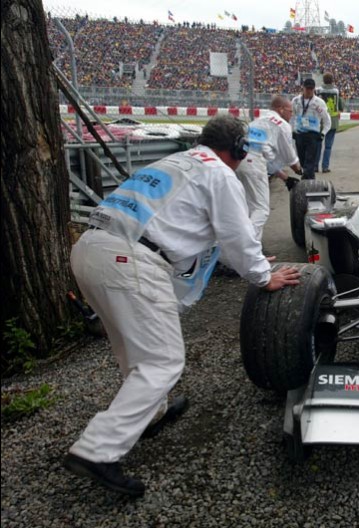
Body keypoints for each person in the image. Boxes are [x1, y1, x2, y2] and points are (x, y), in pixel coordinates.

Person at [64, 115, 301, 496]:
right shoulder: (221, 175)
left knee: (133, 347)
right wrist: (262, 276)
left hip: (91, 250)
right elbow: (236, 236)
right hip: (131, 260)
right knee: (163, 361)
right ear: (239, 150)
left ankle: (150, 415)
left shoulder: (174, 162)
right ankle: (97, 449)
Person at [235, 96, 303, 242]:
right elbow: (290, 156)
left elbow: (266, 157)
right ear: (281, 109)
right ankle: (247, 247)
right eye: (290, 111)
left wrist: (285, 178)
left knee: (247, 208)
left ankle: (252, 248)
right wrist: (299, 170)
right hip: (254, 164)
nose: (292, 115)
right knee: (261, 209)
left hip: (239, 161)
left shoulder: (257, 122)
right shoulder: (282, 125)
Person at [291, 78, 331, 180]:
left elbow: (327, 120)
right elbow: (292, 117)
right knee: (303, 161)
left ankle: (306, 181)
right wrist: (292, 130)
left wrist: (323, 134)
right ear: (302, 88)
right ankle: (310, 180)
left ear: (314, 89)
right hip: (299, 134)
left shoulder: (319, 102)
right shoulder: (295, 101)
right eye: (307, 88)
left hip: (313, 135)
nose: (309, 91)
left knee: (310, 161)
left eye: (311, 89)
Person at [316, 72, 343, 173]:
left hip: (320, 121)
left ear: (323, 80)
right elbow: (340, 105)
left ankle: (315, 166)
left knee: (318, 144)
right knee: (328, 145)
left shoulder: (318, 90)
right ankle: (325, 166)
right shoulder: (336, 91)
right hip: (332, 120)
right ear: (332, 80)